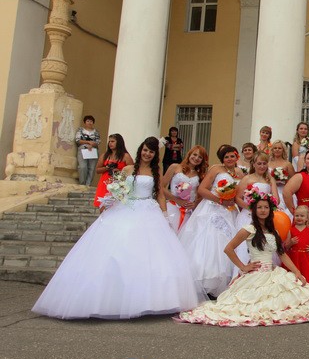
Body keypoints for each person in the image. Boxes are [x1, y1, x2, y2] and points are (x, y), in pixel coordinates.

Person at [33, 137, 205, 319]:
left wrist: (164, 214)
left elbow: (160, 194)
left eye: (151, 152)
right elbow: (118, 189)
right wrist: (108, 201)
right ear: (141, 150)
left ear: (155, 155)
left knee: (150, 255)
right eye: (145, 150)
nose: (147, 154)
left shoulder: (156, 170)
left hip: (149, 210)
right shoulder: (127, 169)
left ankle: (151, 300)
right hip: (126, 208)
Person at [177, 188, 309, 326]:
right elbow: (228, 249)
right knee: (251, 305)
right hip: (256, 273)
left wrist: (297, 272)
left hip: (272, 272)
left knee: (286, 300)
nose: (263, 210)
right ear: (254, 210)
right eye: (259, 207)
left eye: (266, 207)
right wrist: (243, 266)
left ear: (270, 210)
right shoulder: (249, 229)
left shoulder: (273, 230)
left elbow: (282, 254)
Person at [178, 145, 245, 297]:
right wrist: (220, 200)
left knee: (229, 241)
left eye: (232, 156)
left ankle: (227, 281)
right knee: (211, 242)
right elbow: (202, 189)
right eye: (226, 157)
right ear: (222, 159)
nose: (229, 159)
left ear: (236, 157)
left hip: (231, 212)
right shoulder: (216, 169)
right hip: (213, 209)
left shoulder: (240, 172)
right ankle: (207, 283)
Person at [233, 151, 280, 272]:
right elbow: (237, 198)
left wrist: (266, 207)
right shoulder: (247, 178)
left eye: (264, 163)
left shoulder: (270, 179)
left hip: (264, 216)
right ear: (254, 164)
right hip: (248, 215)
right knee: (245, 246)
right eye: (259, 163)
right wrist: (252, 208)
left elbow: (276, 200)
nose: (262, 166)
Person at [162, 145, 208, 232]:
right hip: (172, 207)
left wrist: (194, 204)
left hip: (187, 211)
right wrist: (176, 200)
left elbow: (201, 195)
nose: (196, 158)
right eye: (194, 154)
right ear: (189, 154)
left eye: (200, 157)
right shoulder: (175, 167)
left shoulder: (200, 175)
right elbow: (161, 187)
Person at [94, 134, 133, 208]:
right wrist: (107, 167)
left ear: (119, 142)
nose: (110, 143)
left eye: (113, 141)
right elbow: (97, 170)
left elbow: (132, 170)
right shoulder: (105, 155)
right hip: (105, 183)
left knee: (116, 206)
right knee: (102, 206)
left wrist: (120, 171)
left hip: (119, 184)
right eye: (109, 141)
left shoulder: (125, 156)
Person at [283, 205, 309, 283]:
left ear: (307, 218)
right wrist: (291, 242)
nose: (299, 218)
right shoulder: (291, 230)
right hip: (294, 258)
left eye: (302, 216)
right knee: (293, 278)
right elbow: (286, 246)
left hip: (306, 258)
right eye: (297, 216)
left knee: (306, 277)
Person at [268, 140, 294, 209]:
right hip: (270, 190)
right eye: (275, 148)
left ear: (283, 150)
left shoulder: (287, 164)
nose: (277, 150)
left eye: (279, 148)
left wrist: (284, 180)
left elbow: (293, 180)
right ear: (272, 150)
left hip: (283, 190)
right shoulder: (267, 163)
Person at [75, 115, 100, 186]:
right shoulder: (80, 130)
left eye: (91, 121)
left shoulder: (96, 131)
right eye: (88, 121)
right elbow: (78, 140)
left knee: (91, 168)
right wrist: (88, 142)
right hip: (83, 149)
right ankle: (82, 183)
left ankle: (88, 184)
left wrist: (92, 145)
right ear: (85, 122)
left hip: (93, 150)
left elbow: (98, 141)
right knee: (82, 167)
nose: (89, 122)